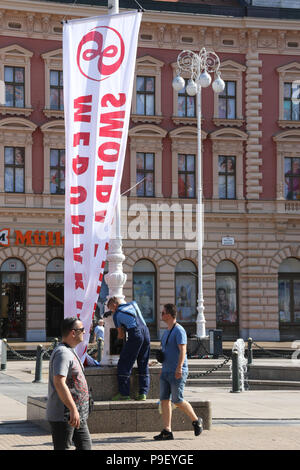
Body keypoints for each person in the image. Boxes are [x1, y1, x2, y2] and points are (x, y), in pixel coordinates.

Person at [154, 303, 203, 441]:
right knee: (164, 400)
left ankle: (196, 420)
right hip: (166, 371)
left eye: (163, 313)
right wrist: (162, 367)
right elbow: (165, 351)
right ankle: (167, 430)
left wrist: (179, 367)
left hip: (177, 371)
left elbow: (183, 351)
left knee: (177, 400)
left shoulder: (179, 330)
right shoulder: (166, 332)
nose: (161, 315)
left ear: (169, 315)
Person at [46, 317, 92, 450]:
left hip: (77, 414)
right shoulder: (62, 353)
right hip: (65, 414)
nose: (84, 332)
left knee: (86, 447)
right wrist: (72, 409)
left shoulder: (70, 350)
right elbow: (59, 382)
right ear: (73, 332)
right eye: (82, 330)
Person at [107, 296, 150, 401]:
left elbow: (121, 335)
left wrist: (118, 332)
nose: (111, 311)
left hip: (135, 334)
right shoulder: (133, 304)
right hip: (146, 332)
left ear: (114, 305)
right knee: (143, 362)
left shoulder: (117, 314)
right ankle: (143, 393)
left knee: (124, 362)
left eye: (110, 308)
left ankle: (124, 393)